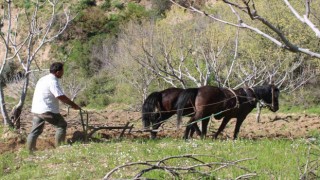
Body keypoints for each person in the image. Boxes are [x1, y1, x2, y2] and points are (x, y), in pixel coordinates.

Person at [26, 62, 81, 154]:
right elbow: (60, 96)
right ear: (58, 72)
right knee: (62, 125)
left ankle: (29, 150)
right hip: (47, 110)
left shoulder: (43, 79)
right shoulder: (53, 81)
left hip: (37, 109)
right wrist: (73, 105)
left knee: (35, 131)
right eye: (62, 71)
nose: (63, 73)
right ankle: (60, 148)